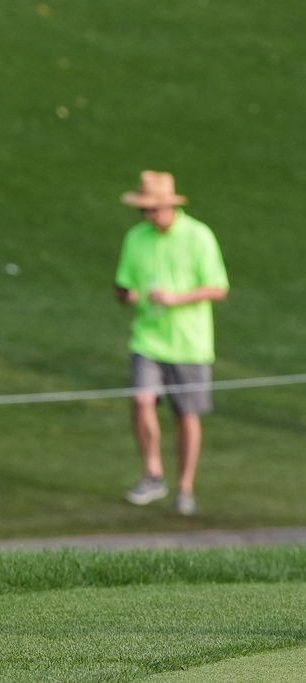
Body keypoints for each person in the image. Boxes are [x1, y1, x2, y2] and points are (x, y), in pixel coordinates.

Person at [114, 171, 229, 516]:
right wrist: (128, 295)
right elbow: (123, 285)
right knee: (141, 399)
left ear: (168, 206)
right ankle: (153, 472)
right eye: (143, 210)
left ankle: (185, 487)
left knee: (186, 415)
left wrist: (176, 299)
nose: (147, 216)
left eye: (152, 210)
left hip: (189, 342)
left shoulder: (198, 236)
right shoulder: (136, 238)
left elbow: (217, 288)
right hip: (148, 337)